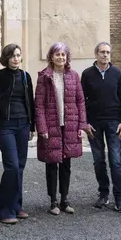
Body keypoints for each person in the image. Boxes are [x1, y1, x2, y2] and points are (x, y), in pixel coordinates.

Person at [0, 43, 35, 224]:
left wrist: (32, 127)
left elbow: (30, 104)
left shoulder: (26, 77)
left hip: (23, 125)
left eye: (18, 55)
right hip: (6, 126)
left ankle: (16, 206)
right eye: (12, 56)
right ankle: (3, 210)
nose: (16, 59)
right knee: (12, 166)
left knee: (20, 166)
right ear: (6, 58)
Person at [35, 42, 87, 215]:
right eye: (57, 54)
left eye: (63, 55)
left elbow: (80, 101)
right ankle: (53, 201)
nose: (61, 57)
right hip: (51, 126)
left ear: (67, 57)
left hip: (69, 125)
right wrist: (42, 127)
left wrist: (82, 125)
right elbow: (39, 105)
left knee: (66, 163)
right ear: (51, 56)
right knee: (52, 163)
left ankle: (64, 199)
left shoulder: (74, 76)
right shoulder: (44, 77)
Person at [81, 42, 121, 213]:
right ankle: (103, 193)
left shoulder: (116, 73)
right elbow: (81, 101)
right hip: (94, 124)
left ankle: (120, 198)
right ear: (96, 54)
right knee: (98, 160)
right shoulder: (87, 74)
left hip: (114, 122)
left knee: (115, 161)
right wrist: (84, 122)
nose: (105, 55)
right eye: (102, 52)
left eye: (108, 52)